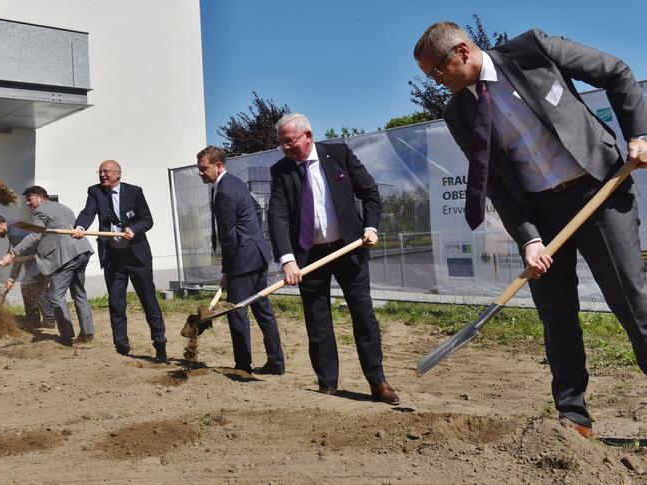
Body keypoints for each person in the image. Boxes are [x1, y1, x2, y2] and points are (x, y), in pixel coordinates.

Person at [413, 21, 647, 438]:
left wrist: (639, 133)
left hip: (599, 189)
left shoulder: (532, 50)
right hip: (542, 211)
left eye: (437, 70)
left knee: (632, 301)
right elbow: (495, 182)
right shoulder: (458, 112)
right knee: (556, 316)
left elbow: (616, 71)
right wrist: (528, 237)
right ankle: (573, 418)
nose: (436, 80)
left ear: (463, 52)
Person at [267, 113, 399, 405]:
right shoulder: (281, 171)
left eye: (290, 142)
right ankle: (328, 384)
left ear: (308, 136)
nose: (286, 148)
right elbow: (276, 216)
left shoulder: (338, 154)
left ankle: (378, 382)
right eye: (282, 144)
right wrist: (288, 259)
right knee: (317, 320)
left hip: (349, 248)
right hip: (309, 254)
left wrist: (371, 227)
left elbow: (370, 192)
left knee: (363, 315)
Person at [196, 146, 285, 374]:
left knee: (236, 311)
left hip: (243, 259)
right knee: (261, 306)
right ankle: (276, 362)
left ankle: (242, 365)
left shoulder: (224, 191)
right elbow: (256, 209)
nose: (200, 173)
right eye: (198, 169)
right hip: (258, 253)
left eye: (203, 168)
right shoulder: (234, 183)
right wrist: (252, 234)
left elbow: (228, 236)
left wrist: (227, 270)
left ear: (218, 165)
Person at [72, 160, 167, 363]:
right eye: (100, 172)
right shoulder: (95, 192)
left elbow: (147, 219)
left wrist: (134, 229)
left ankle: (160, 345)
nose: (102, 175)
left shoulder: (134, 192)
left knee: (149, 302)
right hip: (113, 258)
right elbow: (88, 212)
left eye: (106, 172)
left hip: (137, 257)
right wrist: (80, 227)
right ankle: (121, 348)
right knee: (116, 303)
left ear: (118, 174)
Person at [0, 186, 95, 346]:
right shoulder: (64, 208)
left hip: (65, 257)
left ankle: (66, 336)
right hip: (81, 251)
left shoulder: (40, 211)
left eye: (30, 200)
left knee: (55, 296)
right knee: (79, 294)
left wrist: (12, 253)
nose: (29, 204)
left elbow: (35, 235)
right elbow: (45, 232)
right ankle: (87, 333)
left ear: (41, 198)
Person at [0, 213, 55, 329]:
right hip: (41, 258)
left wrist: (12, 278)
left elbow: (19, 255)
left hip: (42, 258)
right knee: (38, 287)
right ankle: (48, 319)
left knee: (28, 286)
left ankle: (35, 320)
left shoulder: (15, 232)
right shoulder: (14, 225)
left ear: (1, 224)